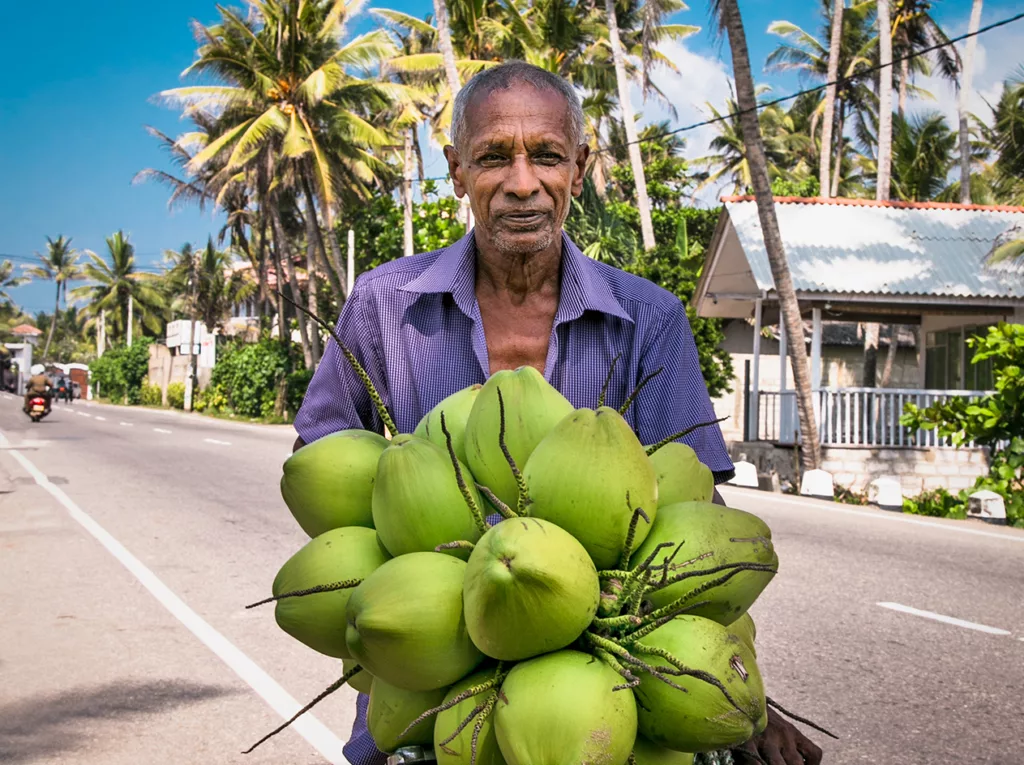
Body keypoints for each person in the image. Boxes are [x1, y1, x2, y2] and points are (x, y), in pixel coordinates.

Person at [293, 61, 821, 765]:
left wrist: (736, 695)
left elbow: (699, 520)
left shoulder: (648, 320)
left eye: (545, 155)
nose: (521, 183)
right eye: (492, 157)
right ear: (455, 170)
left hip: (600, 703)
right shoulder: (383, 305)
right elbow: (323, 468)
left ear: (580, 166)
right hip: (438, 699)